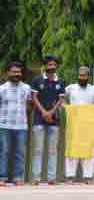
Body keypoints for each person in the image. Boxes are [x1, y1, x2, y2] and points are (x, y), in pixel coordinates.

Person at [30, 55, 65, 185]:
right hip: (39, 119)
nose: (52, 67)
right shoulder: (37, 80)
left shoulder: (60, 81)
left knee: (52, 150)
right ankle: (36, 178)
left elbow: (61, 99)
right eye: (50, 65)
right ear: (45, 66)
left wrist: (51, 112)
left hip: (54, 120)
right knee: (38, 149)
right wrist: (44, 112)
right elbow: (34, 97)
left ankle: (51, 178)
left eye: (54, 65)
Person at [64, 66, 94, 184]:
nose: (82, 77)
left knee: (88, 148)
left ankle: (88, 176)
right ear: (77, 76)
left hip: (88, 125)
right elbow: (61, 99)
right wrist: (65, 107)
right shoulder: (70, 88)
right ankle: (70, 176)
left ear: (88, 76)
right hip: (73, 123)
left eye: (84, 75)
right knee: (72, 148)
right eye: (80, 75)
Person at [0, 62, 32, 186]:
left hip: (21, 125)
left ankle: (18, 177)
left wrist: (27, 123)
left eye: (18, 72)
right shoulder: (2, 89)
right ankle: (2, 177)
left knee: (19, 152)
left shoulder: (26, 88)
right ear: (8, 73)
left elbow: (29, 107)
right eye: (13, 72)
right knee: (4, 151)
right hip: (4, 125)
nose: (16, 74)